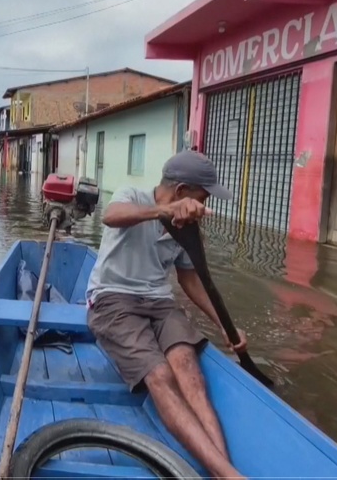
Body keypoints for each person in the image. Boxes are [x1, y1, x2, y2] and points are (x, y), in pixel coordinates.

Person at [85, 150, 248, 479]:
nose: (201, 207)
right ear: (181, 191)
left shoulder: (188, 229)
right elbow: (112, 216)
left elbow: (190, 281)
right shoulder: (132, 196)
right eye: (201, 197)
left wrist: (227, 329)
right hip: (113, 298)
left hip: (159, 302)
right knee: (160, 376)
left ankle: (223, 471)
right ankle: (231, 476)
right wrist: (164, 211)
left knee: (190, 372)